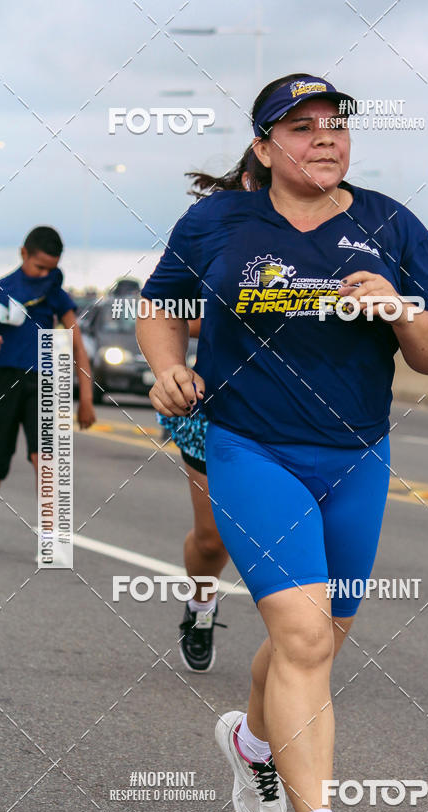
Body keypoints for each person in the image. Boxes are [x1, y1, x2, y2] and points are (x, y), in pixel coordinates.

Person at [138, 73, 428, 812]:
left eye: (335, 126)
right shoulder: (218, 222)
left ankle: (252, 740)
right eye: (302, 127)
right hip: (252, 448)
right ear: (263, 147)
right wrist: (169, 366)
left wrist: (398, 306)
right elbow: (159, 305)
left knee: (321, 637)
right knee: (306, 638)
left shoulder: (389, 223)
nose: (324, 139)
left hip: (357, 456)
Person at [157, 145, 268, 673]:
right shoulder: (216, 233)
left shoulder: (331, 230)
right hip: (215, 405)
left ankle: (298, 652)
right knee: (213, 538)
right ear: (249, 181)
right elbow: (170, 308)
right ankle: (201, 604)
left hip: (304, 411)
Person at [0, 226, 95, 555]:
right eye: (39, 267)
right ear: (23, 253)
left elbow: (77, 344)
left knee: (46, 457)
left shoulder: (54, 291)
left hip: (44, 381)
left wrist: (87, 399)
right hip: (2, 380)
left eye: (51, 268)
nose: (45, 274)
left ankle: (50, 534)